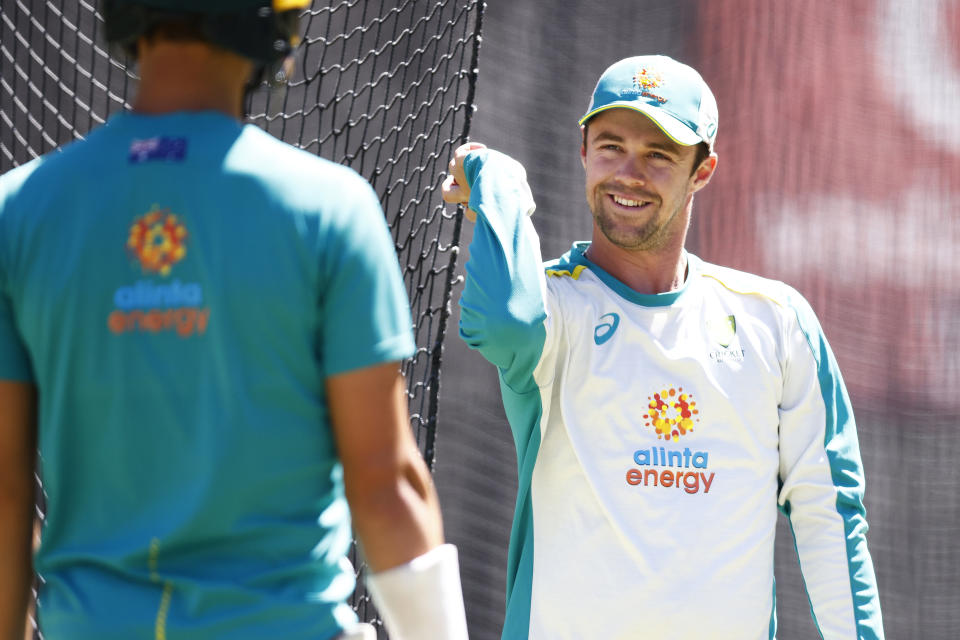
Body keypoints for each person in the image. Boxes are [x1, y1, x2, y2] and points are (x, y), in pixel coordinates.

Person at [0, 1, 469, 639]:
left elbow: (5, 484)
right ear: (276, 21)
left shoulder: (19, 212)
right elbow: (387, 483)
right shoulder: (330, 211)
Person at [442, 54, 884, 639]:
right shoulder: (558, 307)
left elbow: (830, 512)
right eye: (610, 146)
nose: (628, 172)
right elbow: (502, 323)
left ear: (702, 170)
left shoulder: (774, 321)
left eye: (658, 154)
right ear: (582, 150)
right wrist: (497, 184)